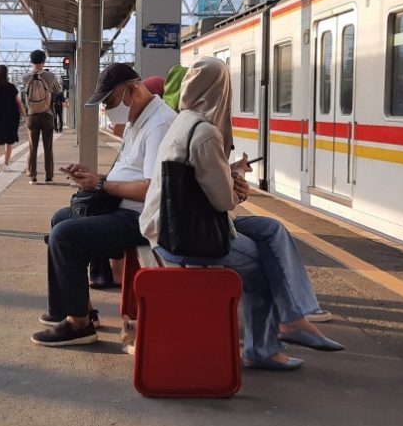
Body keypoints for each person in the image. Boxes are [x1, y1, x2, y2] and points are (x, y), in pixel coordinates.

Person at [140, 57, 343, 370]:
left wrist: (229, 173)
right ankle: (267, 347)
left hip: (171, 222)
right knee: (264, 266)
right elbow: (223, 201)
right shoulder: (206, 132)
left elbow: (198, 178)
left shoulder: (183, 120)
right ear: (222, 89)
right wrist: (238, 189)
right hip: (183, 237)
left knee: (272, 229)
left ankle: (295, 318)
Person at [31, 63, 176, 347]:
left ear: (132, 90)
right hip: (124, 207)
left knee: (65, 235)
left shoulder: (158, 124)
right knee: (61, 219)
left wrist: (100, 185)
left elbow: (151, 189)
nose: (108, 109)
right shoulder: (140, 118)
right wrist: (94, 177)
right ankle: (74, 309)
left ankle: (79, 325)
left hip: (142, 218)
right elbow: (130, 172)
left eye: (109, 101)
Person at [22, 49, 61, 184]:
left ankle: (32, 176)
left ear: (31, 61)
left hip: (32, 116)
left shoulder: (25, 77)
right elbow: (58, 90)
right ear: (44, 61)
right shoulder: (50, 76)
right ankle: (48, 176)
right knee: (47, 146)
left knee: (32, 147)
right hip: (47, 115)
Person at [0, 64, 24, 171]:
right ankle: (6, 164)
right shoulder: (11, 87)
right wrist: (25, 114)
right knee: (9, 141)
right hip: (11, 117)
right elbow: (18, 102)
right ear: (6, 74)